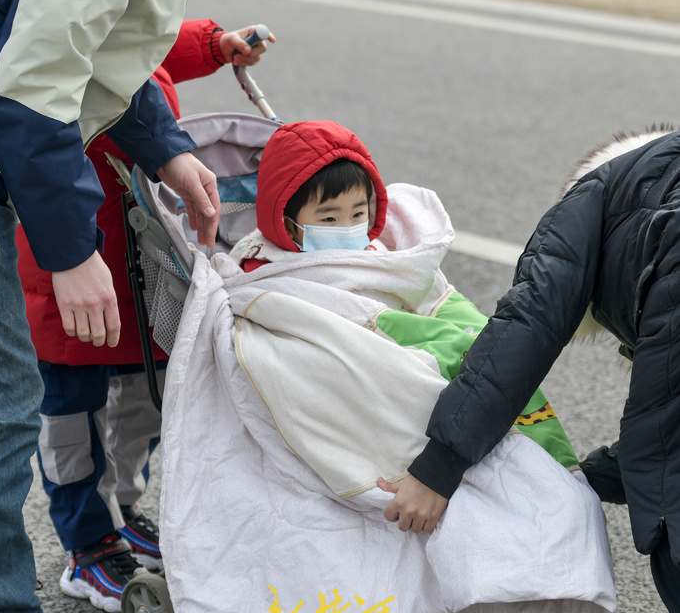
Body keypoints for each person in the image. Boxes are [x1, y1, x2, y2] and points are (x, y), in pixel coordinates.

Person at [0, 0, 346, 613]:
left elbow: (104, 36)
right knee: (4, 390)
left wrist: (166, 148)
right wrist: (71, 253)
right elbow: (34, 86)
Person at [377, 128, 680, 613]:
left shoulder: (590, 208)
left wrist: (440, 465)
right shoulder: (655, 179)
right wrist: (586, 481)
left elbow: (528, 328)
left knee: (672, 493)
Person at [16, 18, 273, 613]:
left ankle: (122, 508)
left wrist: (211, 44)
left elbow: (146, 38)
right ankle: (87, 543)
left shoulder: (121, 0)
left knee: (145, 401)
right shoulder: (52, 26)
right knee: (74, 417)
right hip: (71, 264)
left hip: (151, 261)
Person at [230, 119, 578, 472]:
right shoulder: (271, 265)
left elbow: (426, 292)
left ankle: (550, 461)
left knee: (492, 351)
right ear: (289, 223)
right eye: (329, 219)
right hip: (366, 348)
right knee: (468, 365)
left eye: (358, 213)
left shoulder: (378, 249)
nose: (349, 227)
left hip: (404, 330)